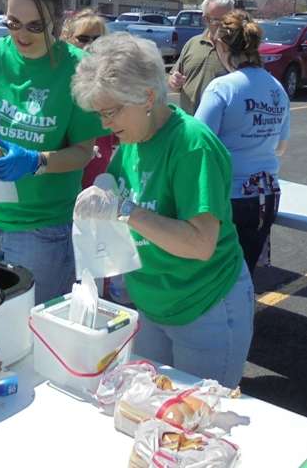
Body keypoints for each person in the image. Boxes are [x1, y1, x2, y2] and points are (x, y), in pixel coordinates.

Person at [71, 32, 254, 388]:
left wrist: (125, 209)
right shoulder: (131, 144)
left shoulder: (191, 144)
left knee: (198, 423)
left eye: (111, 111)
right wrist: (102, 195)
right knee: (152, 407)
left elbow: (201, 244)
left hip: (205, 306)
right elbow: (122, 202)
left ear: (147, 97)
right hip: (154, 307)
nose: (105, 124)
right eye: (100, 113)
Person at [0, 0, 104, 304]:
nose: (21, 35)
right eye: (12, 23)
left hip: (42, 230)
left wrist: (37, 161)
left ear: (59, 20)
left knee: (31, 330)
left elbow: (83, 151)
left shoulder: (77, 70)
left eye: (35, 26)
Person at [195, 10, 289, 276]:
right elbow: (280, 147)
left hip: (228, 196)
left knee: (216, 276)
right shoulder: (276, 88)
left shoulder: (222, 88)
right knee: (244, 274)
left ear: (223, 46)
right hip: (266, 195)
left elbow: (198, 144)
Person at [60, 8, 116, 189]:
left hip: (96, 184)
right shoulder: (57, 82)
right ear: (67, 38)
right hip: (60, 182)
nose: (90, 45)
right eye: (83, 39)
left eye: (98, 39)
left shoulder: (110, 84)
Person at [168, 0, 235, 114]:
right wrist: (174, 81)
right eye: (216, 20)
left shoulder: (240, 49)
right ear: (205, 19)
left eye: (227, 19)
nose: (223, 25)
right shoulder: (193, 44)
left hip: (221, 126)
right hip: (190, 123)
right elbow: (174, 76)